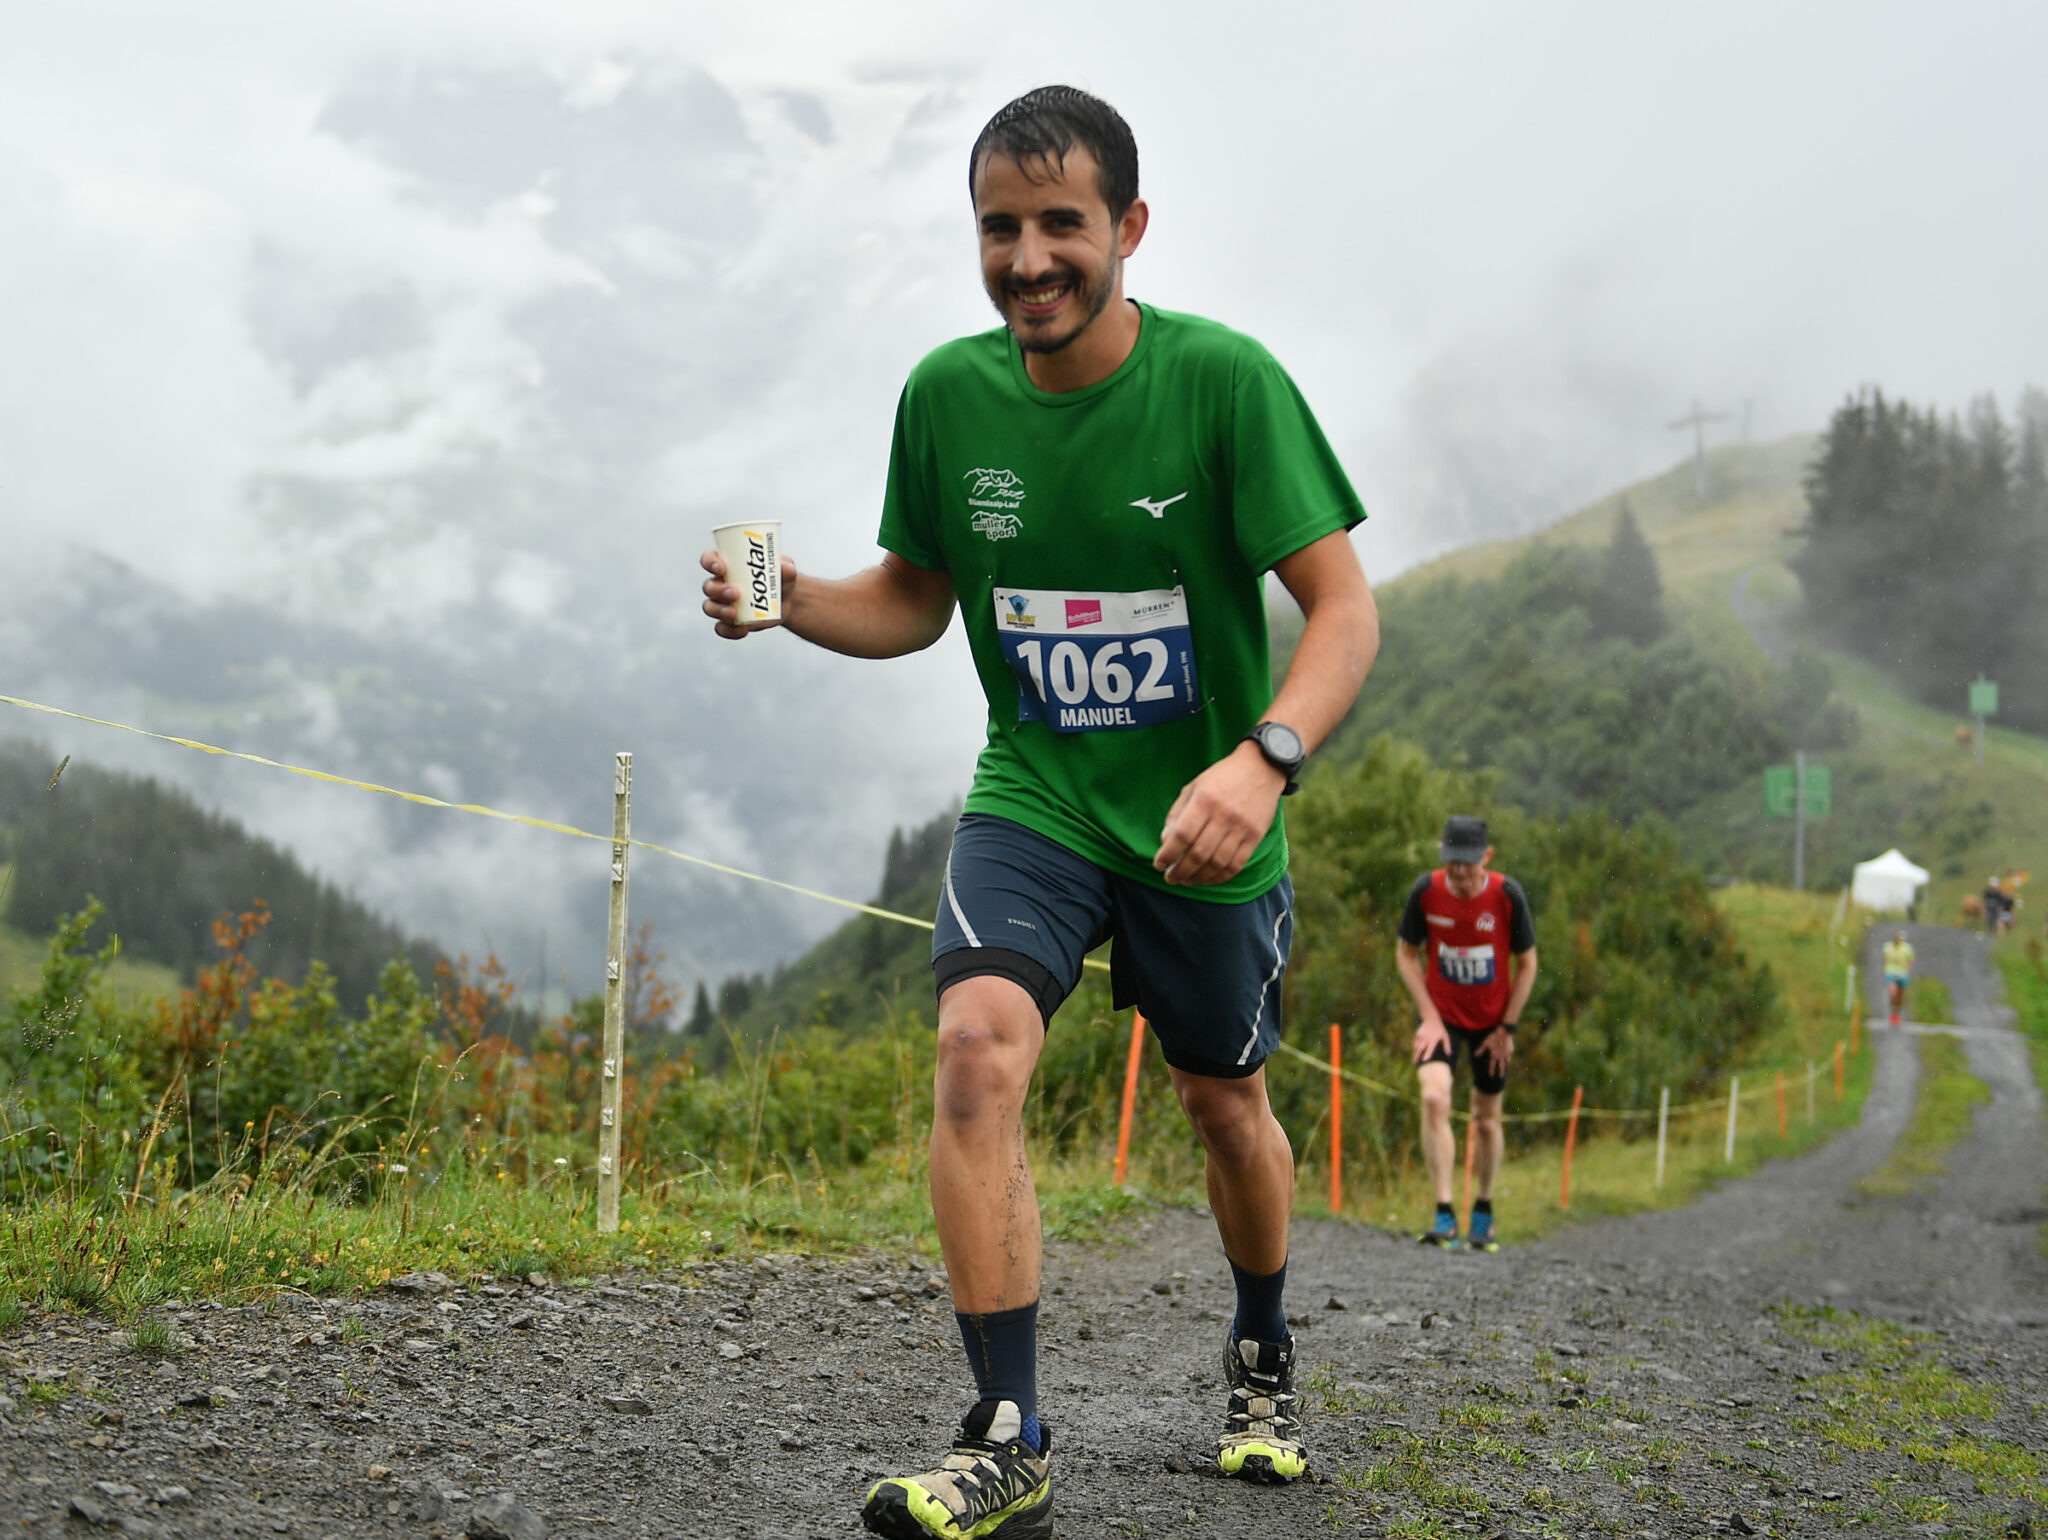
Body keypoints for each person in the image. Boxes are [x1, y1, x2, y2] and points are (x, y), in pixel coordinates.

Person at [700, 86, 1378, 1540]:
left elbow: (1342, 611)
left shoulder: (1225, 383)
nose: (1028, 260)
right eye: (999, 229)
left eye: (1060, 224)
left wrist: (1261, 762)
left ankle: (1261, 1353)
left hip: (1210, 816)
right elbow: (919, 597)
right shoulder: (948, 395)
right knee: (973, 1046)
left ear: (1127, 228)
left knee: (1223, 1103)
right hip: (1039, 795)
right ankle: (1005, 1431)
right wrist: (794, 601)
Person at [1395, 816, 1538, 1253]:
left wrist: (1507, 1027)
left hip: (1493, 1024)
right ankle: (1444, 1214)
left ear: (1487, 858)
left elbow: (1528, 963)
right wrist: (1429, 1016)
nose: (1459, 874)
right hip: (1443, 1018)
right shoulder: (1426, 891)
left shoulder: (1507, 896)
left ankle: (1484, 1211)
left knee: (1487, 1119)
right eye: (1452, 863)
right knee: (1435, 1099)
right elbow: (1406, 954)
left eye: (1468, 866)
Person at [1882, 928, 1915, 1026]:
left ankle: (1897, 1013)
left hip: (1902, 973)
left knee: (1900, 995)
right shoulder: (1888, 947)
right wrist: (1884, 969)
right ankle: (1893, 1012)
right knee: (1894, 993)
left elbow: (1911, 960)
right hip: (1891, 972)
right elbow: (1884, 959)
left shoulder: (1907, 948)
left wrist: (1907, 967)